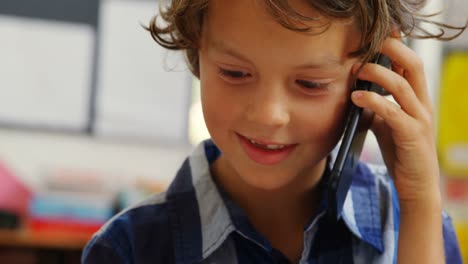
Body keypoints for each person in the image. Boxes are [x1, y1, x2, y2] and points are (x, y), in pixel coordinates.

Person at [82, 0, 467, 263]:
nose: (269, 116)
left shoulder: (419, 226)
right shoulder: (127, 249)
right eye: (235, 73)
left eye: (311, 83)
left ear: (375, 76)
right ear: (196, 50)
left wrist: (419, 202)